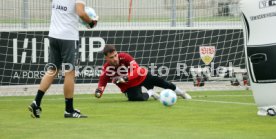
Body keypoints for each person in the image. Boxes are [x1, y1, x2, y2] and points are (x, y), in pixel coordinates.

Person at [28, 0, 98, 118]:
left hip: (54, 35)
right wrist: (91, 22)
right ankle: (69, 110)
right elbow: (81, 13)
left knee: (52, 69)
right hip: (68, 37)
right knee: (70, 72)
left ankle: (36, 102)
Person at [94, 44, 192, 101]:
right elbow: (102, 83)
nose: (115, 59)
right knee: (136, 99)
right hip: (129, 87)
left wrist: (125, 78)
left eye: (115, 55)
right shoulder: (106, 68)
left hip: (142, 76)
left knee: (164, 83)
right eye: (111, 57)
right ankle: (151, 92)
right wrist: (99, 92)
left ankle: (182, 93)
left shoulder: (125, 56)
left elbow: (137, 70)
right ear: (106, 58)